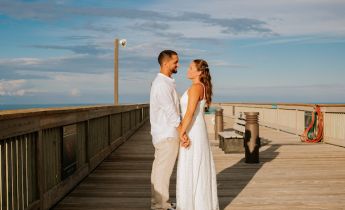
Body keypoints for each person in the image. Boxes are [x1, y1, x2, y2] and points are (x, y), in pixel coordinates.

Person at [176, 59, 219, 210]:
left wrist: (181, 132)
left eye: (191, 68)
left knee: (192, 165)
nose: (187, 70)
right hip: (196, 128)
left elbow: (189, 113)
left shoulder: (196, 87)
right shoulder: (201, 87)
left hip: (193, 130)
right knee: (196, 165)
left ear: (199, 72)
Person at [150, 50, 188, 210]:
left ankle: (160, 203)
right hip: (167, 135)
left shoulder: (165, 82)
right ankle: (160, 206)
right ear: (165, 63)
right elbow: (172, 114)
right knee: (162, 173)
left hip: (164, 134)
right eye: (175, 62)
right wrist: (182, 133)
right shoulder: (161, 85)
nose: (178, 65)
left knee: (160, 171)